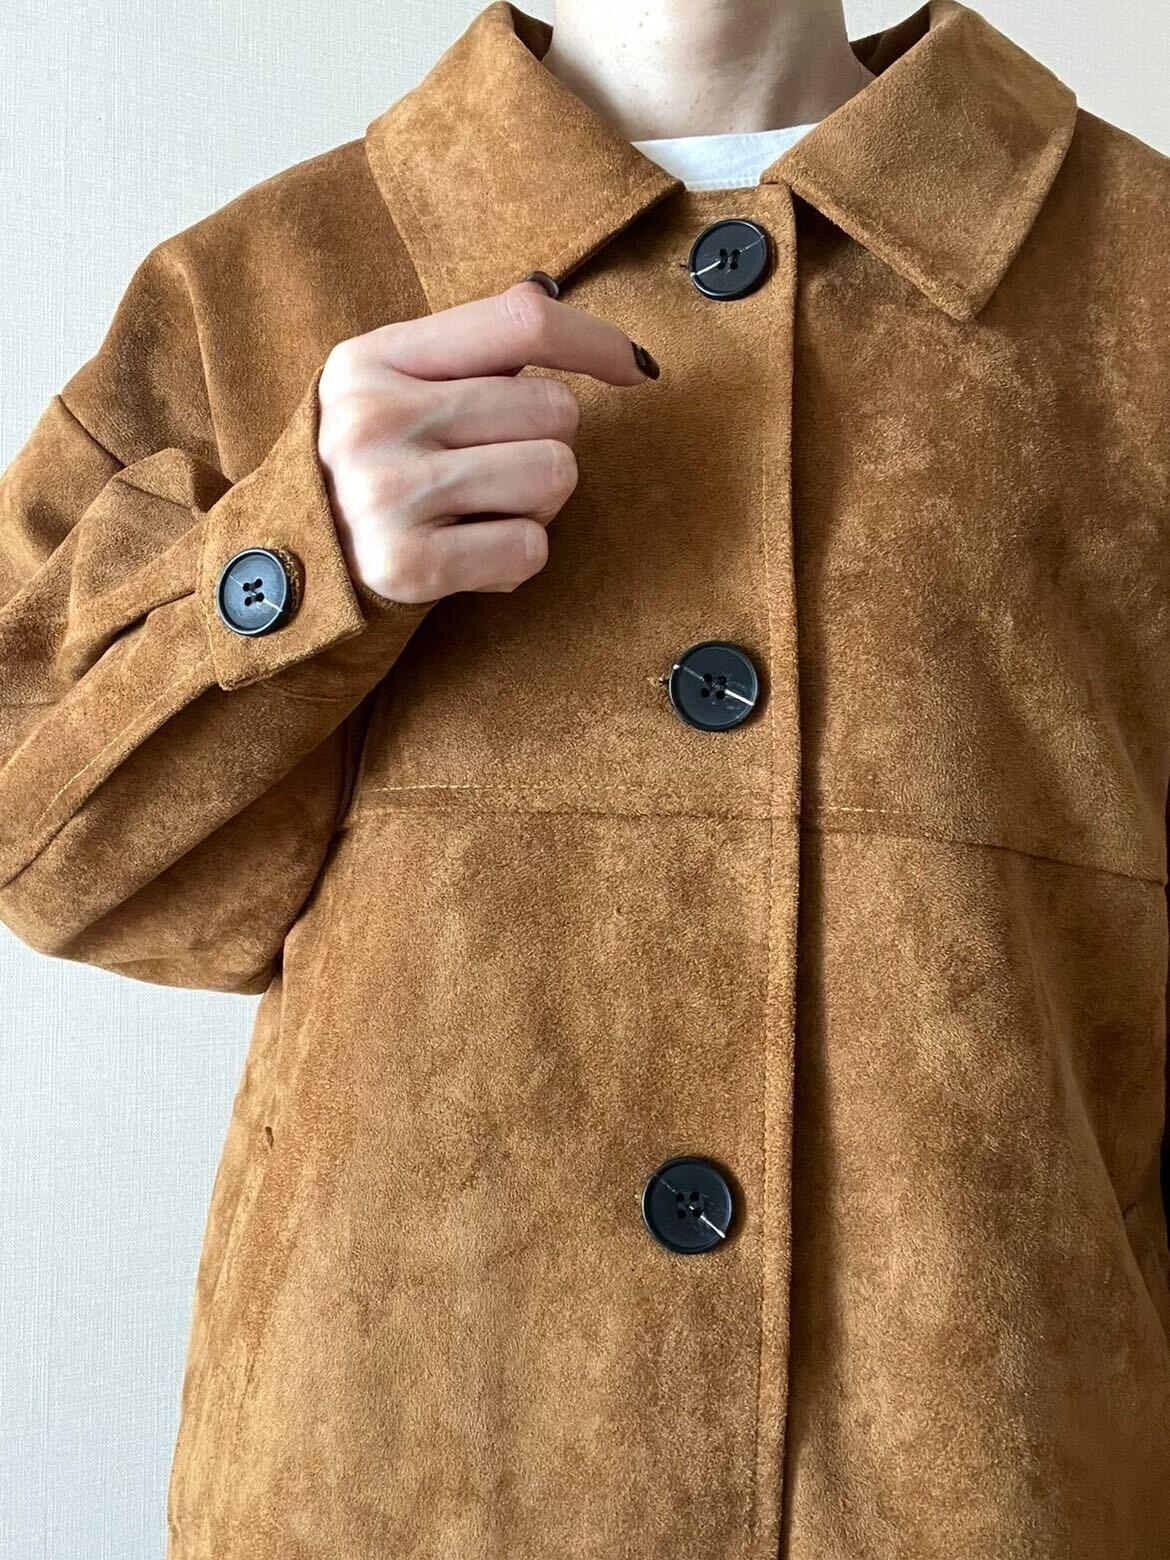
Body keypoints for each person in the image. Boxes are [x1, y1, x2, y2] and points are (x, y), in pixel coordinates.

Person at [2, 0, 1168, 1555]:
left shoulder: (1137, 283)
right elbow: (53, 860)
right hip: (401, 1473)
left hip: (986, 1475)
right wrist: (289, 557)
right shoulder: (255, 289)